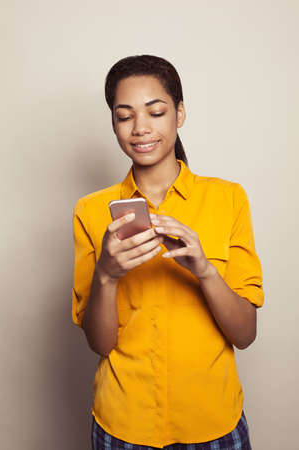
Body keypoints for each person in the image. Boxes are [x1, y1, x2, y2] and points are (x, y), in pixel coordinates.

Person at [72, 55, 264, 450]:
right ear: (113, 124)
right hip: (125, 422)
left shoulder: (228, 198)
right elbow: (100, 344)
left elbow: (245, 334)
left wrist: (205, 270)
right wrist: (106, 275)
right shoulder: (90, 211)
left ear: (179, 113)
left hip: (212, 420)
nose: (140, 127)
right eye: (124, 116)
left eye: (155, 112)